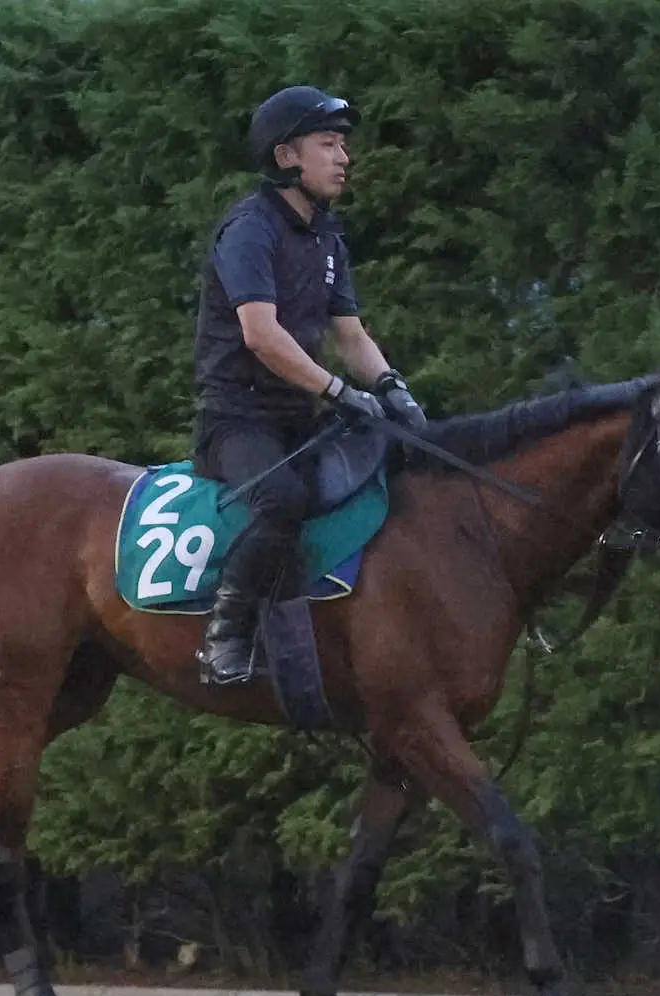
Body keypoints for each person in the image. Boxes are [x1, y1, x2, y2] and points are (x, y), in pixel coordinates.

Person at [191, 85, 427, 686]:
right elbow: (260, 335)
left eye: (343, 145)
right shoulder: (248, 230)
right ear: (286, 156)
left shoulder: (326, 236)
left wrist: (393, 388)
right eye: (329, 144)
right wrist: (340, 393)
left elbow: (350, 334)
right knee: (283, 503)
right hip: (235, 421)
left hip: (301, 418)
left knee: (399, 465)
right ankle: (227, 633)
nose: (344, 158)